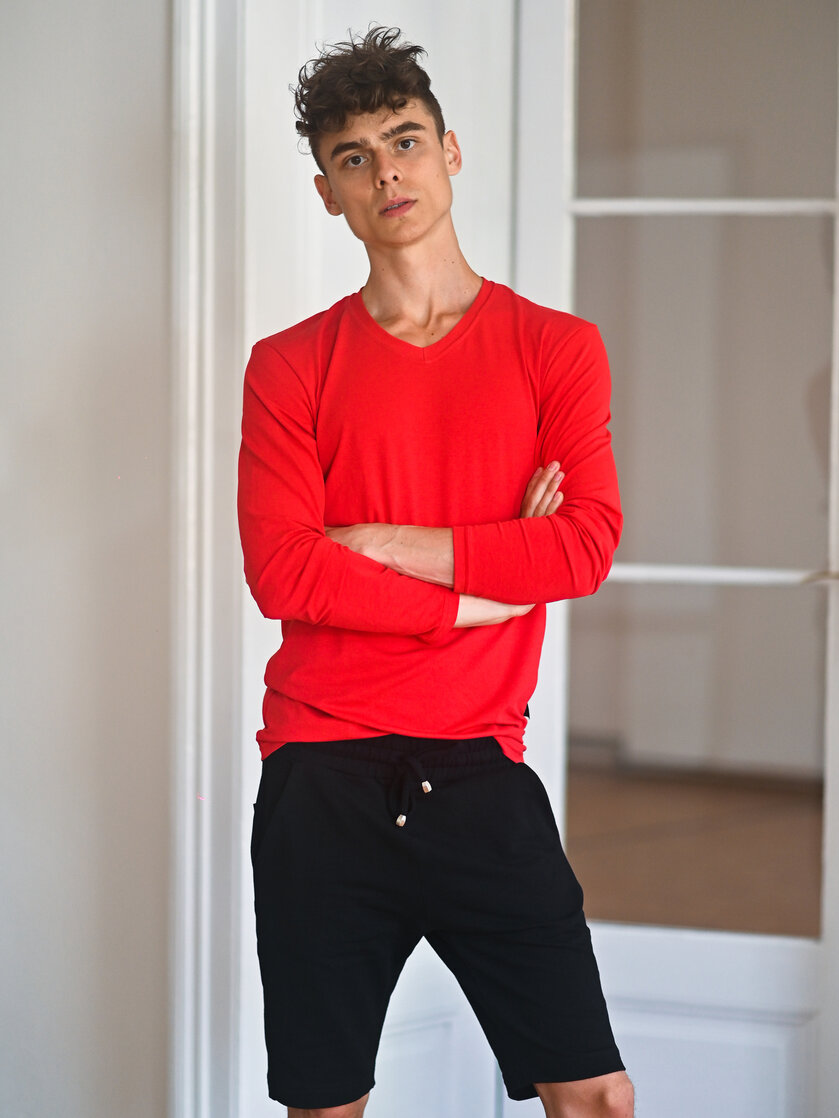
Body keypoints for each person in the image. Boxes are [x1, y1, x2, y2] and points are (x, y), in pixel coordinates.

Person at [237, 24, 633, 1118]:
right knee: (325, 1104)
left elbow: (582, 545)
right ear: (328, 194)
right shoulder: (288, 367)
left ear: (449, 152)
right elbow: (284, 574)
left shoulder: (556, 348)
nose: (385, 172)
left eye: (403, 141)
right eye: (353, 157)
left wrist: (385, 542)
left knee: (594, 1095)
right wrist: (483, 593)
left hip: (476, 770)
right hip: (320, 777)